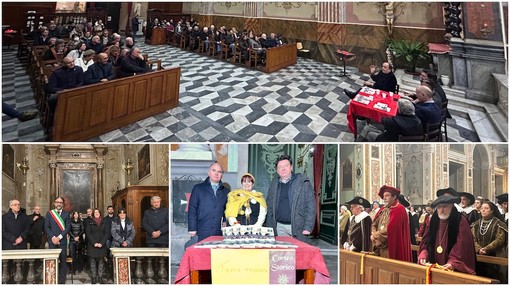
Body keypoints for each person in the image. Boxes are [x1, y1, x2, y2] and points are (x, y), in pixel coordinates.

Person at [418, 195, 476, 274]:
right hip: (434, 266)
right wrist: (424, 254)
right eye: (439, 207)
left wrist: (453, 262)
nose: (442, 210)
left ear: (452, 207)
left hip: (452, 269)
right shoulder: (433, 220)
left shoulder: (460, 220)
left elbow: (462, 245)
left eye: (445, 206)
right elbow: (426, 241)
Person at [266, 155, 316, 243]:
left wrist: (308, 227)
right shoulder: (274, 184)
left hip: (298, 227)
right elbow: (269, 207)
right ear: (277, 170)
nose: (283, 169)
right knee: (283, 254)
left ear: (291, 167)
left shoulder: (303, 182)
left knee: (299, 254)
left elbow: (311, 205)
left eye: (286, 165)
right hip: (279, 227)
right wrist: (270, 227)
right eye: (280, 167)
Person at [188, 163, 230, 242]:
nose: (216, 173)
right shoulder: (198, 188)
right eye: (213, 170)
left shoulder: (226, 192)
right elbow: (192, 208)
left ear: (222, 175)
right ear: (209, 172)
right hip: (201, 230)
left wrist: (225, 221)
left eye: (219, 172)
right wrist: (192, 228)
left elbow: (227, 211)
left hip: (218, 231)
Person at [371, 185, 412, 262]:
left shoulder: (399, 209)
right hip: (379, 246)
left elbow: (392, 228)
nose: (384, 198)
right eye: (383, 196)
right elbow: (374, 223)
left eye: (387, 195)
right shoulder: (382, 209)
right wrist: (374, 238)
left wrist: (375, 236)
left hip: (392, 246)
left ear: (394, 197)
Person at [472, 200, 508, 283]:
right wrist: (479, 249)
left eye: (486, 208)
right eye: (482, 208)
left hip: (495, 258)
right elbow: (472, 238)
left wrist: (486, 249)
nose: (483, 210)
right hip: (479, 257)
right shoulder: (475, 224)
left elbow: (500, 239)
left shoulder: (499, 224)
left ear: (492, 210)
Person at [45, 196, 71, 284]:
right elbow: (46, 227)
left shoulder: (66, 214)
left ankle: (62, 281)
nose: (59, 203)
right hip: (52, 241)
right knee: (52, 261)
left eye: (60, 202)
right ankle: (53, 279)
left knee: (63, 262)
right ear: (54, 203)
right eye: (57, 202)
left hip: (62, 241)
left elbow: (68, 228)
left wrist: (59, 237)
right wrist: (53, 237)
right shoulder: (49, 213)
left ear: (62, 204)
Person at [85, 209, 109, 284]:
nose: (96, 213)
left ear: (100, 213)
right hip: (92, 245)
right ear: (93, 214)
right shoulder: (90, 222)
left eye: (98, 212)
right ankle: (94, 278)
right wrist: (94, 243)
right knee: (92, 262)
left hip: (102, 245)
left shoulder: (105, 221)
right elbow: (88, 233)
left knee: (101, 262)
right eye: (95, 212)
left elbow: (107, 233)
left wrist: (101, 243)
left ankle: (100, 277)